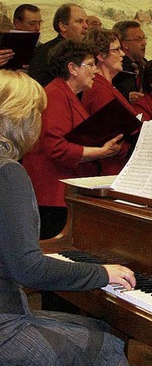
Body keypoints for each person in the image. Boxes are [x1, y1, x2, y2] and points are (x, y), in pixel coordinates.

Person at [0, 69, 135, 366]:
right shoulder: (7, 173)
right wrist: (101, 273)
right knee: (109, 354)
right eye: (37, 113)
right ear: (20, 119)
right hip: (5, 327)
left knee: (97, 328)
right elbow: (28, 269)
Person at [22, 41, 124, 239]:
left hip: (60, 191)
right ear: (72, 68)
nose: (95, 70)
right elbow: (57, 148)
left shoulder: (66, 94)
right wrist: (101, 152)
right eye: (90, 64)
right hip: (53, 194)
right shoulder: (55, 95)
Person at [82, 29, 136, 175]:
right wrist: (134, 151)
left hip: (116, 164)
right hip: (109, 167)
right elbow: (108, 135)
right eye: (116, 50)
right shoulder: (99, 89)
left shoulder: (107, 86)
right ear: (100, 55)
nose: (123, 54)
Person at [29, 3, 88, 87]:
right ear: (63, 26)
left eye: (86, 22)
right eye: (79, 21)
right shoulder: (47, 51)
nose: (86, 26)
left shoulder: (83, 51)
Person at [112, 20, 148, 103]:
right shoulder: (115, 67)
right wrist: (125, 96)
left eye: (144, 38)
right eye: (139, 39)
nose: (144, 43)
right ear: (125, 44)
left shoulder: (144, 64)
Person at [0, 4, 43, 69]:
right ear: (17, 23)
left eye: (39, 23)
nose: (38, 28)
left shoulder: (42, 48)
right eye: (32, 24)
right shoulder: (2, 42)